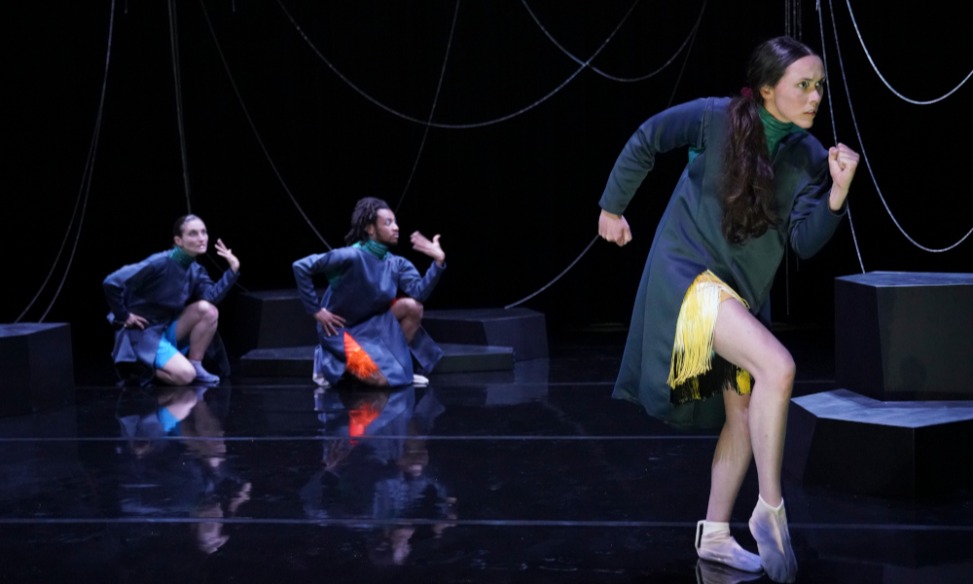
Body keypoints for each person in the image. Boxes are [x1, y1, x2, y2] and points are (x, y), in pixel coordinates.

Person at [596, 36, 859, 583]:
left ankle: (715, 533)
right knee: (778, 366)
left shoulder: (809, 156)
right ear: (767, 89)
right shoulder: (714, 118)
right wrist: (612, 208)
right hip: (686, 274)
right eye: (803, 86)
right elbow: (648, 137)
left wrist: (837, 194)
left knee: (742, 411)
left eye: (819, 86)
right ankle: (770, 508)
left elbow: (805, 242)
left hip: (737, 293)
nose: (815, 97)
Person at [292, 197, 446, 388]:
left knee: (413, 307)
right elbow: (301, 266)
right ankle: (328, 360)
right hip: (340, 330)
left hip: (372, 325)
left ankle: (398, 364)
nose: (396, 227)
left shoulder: (396, 263)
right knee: (379, 380)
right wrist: (316, 310)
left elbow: (419, 293)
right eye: (388, 223)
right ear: (370, 229)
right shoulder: (350, 256)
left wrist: (438, 261)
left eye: (395, 222)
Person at [103, 214, 240, 386]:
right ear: (178, 240)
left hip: (166, 328)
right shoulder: (160, 262)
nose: (201, 238)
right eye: (193, 233)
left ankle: (195, 364)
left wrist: (233, 270)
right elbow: (111, 282)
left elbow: (211, 297)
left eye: (203, 232)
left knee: (208, 310)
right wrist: (123, 316)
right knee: (186, 376)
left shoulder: (195, 269)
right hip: (142, 331)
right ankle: (142, 368)